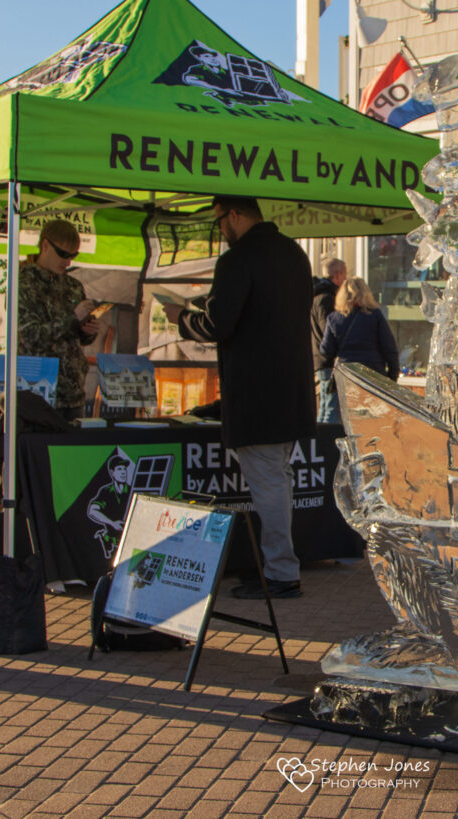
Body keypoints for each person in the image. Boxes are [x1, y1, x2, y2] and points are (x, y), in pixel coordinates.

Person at [163, 196, 315, 599]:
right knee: (277, 482)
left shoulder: (238, 259)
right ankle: (276, 567)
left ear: (233, 215)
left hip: (257, 395)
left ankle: (282, 573)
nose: (220, 231)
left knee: (269, 486)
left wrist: (181, 319)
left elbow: (219, 324)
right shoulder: (294, 253)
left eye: (219, 222)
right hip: (292, 390)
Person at [18, 220, 101, 422]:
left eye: (73, 255)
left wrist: (88, 331)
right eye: (63, 254)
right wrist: (73, 318)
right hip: (36, 393)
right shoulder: (23, 281)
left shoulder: (73, 285)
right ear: (45, 246)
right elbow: (29, 336)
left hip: (72, 393)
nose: (68, 262)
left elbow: (78, 338)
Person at [320, 278, 400, 397]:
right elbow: (389, 347)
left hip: (346, 373)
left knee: (346, 413)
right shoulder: (374, 315)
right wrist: (392, 376)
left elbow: (326, 350)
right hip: (374, 373)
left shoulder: (334, 318)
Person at [311, 257, 347, 423]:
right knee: (331, 408)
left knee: (326, 406)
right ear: (338, 275)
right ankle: (326, 446)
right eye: (345, 274)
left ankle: (319, 445)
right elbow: (329, 330)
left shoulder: (315, 296)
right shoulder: (326, 298)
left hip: (319, 357)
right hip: (328, 360)